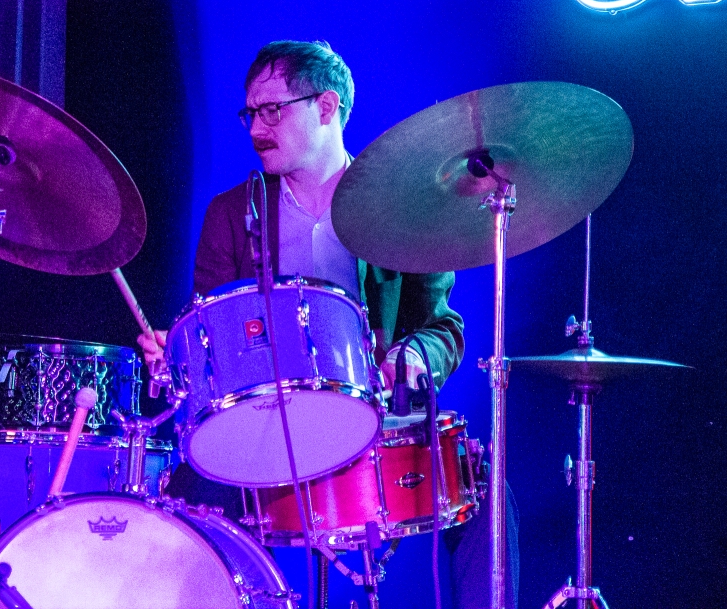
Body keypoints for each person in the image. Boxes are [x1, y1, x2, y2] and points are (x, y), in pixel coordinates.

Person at [139, 40, 518, 609]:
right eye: (250, 113)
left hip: (375, 420)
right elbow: (210, 329)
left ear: (326, 106)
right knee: (182, 502)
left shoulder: (398, 206)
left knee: (483, 480)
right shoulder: (230, 214)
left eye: (272, 110)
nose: (256, 128)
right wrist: (181, 352)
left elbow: (443, 326)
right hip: (263, 425)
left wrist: (415, 356)